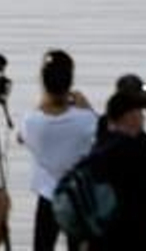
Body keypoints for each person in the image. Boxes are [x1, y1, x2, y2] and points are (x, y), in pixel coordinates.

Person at [18, 50, 97, 251]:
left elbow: (21, 137)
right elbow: (104, 134)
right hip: (79, 198)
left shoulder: (31, 121)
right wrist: (87, 107)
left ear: (43, 82)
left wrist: (43, 102)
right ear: (70, 82)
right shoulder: (85, 120)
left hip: (47, 197)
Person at [87, 89, 146, 251]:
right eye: (139, 112)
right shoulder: (142, 146)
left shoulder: (98, 146)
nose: (143, 117)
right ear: (130, 117)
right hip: (141, 238)